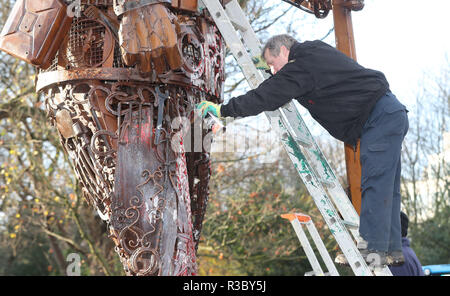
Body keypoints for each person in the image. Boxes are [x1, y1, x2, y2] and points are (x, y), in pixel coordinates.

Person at [196, 34, 409, 266]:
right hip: (386, 113)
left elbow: (265, 96)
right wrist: (269, 70)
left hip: (378, 118)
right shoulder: (311, 55)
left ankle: (374, 250)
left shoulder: (302, 66)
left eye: (272, 64)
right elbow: (285, 80)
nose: (274, 71)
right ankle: (391, 250)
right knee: (387, 186)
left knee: (375, 183)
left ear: (285, 51)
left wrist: (222, 109)